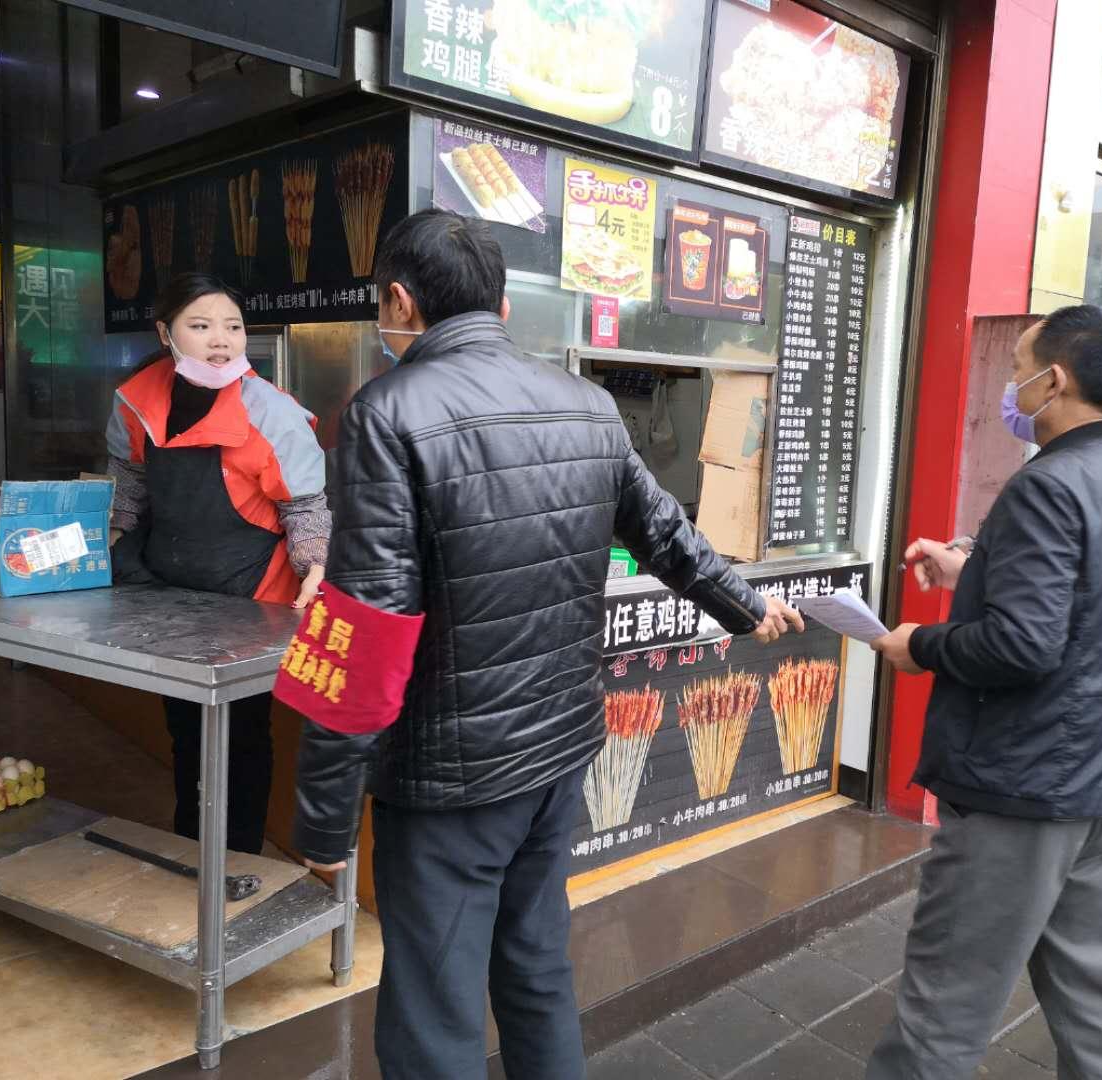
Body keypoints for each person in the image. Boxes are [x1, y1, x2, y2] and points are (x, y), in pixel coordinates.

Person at [285, 209, 801, 1080]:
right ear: (504, 309)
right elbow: (666, 531)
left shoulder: (387, 410)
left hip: (450, 779)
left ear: (400, 303)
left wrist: (323, 817)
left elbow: (364, 626)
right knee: (535, 970)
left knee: (434, 1005)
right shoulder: (587, 405)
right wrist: (743, 605)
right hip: (559, 755)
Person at [869, 305, 1102, 1080]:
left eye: (1018, 372)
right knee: (1089, 992)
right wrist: (970, 563)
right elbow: (1095, 605)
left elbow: (1023, 643)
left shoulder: (1049, 485)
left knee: (945, 1007)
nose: (1013, 388)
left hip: (1021, 790)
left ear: (1056, 380)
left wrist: (919, 645)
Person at [106, 273, 329, 855]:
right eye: (200, 326)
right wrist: (111, 534)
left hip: (248, 594)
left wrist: (313, 566)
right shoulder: (138, 400)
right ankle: (192, 846)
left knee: (242, 732)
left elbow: (302, 503)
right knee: (184, 725)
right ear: (166, 332)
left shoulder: (269, 410)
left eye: (232, 327)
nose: (221, 341)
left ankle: (237, 856)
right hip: (168, 591)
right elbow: (130, 480)